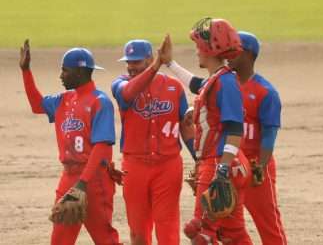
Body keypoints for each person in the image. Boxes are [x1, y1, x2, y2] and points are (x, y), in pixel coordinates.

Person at [19, 40, 122, 245]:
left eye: (65, 71)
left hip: (94, 179)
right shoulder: (63, 99)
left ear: (80, 72)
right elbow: (37, 105)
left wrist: (82, 183)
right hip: (68, 177)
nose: (60, 75)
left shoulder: (100, 102)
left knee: (105, 238)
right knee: (60, 239)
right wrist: (25, 70)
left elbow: (102, 146)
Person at [163, 17, 253, 244]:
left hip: (219, 163)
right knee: (233, 234)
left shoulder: (226, 82)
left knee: (201, 234)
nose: (196, 51)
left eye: (198, 46)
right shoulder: (218, 79)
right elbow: (197, 84)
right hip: (226, 164)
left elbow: (235, 129)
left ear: (210, 48)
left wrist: (221, 169)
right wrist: (169, 63)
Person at [110, 37, 195, 245]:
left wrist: (199, 157)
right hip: (134, 166)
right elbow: (129, 94)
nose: (130, 67)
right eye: (128, 62)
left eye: (136, 62)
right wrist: (157, 65)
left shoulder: (174, 88)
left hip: (168, 166)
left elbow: (186, 126)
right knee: (138, 229)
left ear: (148, 60)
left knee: (167, 225)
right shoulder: (120, 84)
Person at [228, 31, 287, 245]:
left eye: (234, 49)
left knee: (268, 224)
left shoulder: (265, 91)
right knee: (226, 225)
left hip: (254, 166)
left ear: (249, 54)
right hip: (230, 164)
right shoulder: (225, 84)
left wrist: (260, 167)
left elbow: (269, 135)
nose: (228, 54)